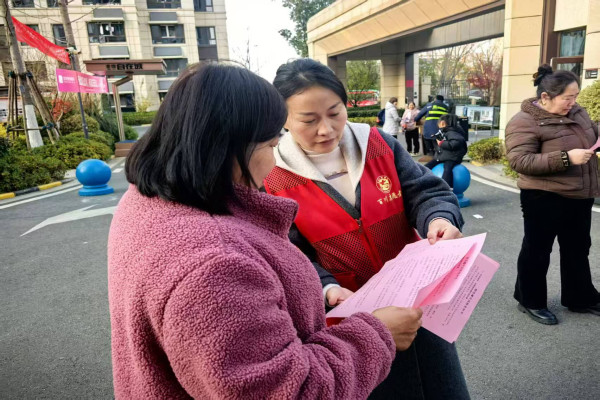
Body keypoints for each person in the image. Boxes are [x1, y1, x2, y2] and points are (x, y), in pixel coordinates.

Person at [108, 63, 423, 399]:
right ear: (227, 147)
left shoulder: (148, 200)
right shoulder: (215, 266)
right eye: (272, 145)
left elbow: (423, 189)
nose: (274, 161)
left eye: (334, 112)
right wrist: (376, 334)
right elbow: (290, 390)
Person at [265, 58, 470, 400]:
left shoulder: (376, 143)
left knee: (442, 385)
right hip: (354, 317)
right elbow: (285, 252)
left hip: (417, 297)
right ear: (282, 118)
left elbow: (426, 192)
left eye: (335, 113)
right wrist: (327, 287)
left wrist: (440, 219)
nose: (326, 130)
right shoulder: (273, 174)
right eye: (309, 120)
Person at [505, 64, 600, 325]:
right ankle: (530, 300)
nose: (573, 102)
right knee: (537, 250)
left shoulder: (577, 112)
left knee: (578, 249)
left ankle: (580, 297)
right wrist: (566, 158)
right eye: (567, 98)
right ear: (546, 97)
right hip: (543, 197)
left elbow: (591, 132)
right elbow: (520, 160)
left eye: (576, 96)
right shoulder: (524, 121)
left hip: (579, 195)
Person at [424, 114, 468, 188]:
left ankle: (447, 188)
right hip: (443, 156)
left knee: (447, 169)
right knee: (427, 167)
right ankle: (422, 183)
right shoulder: (444, 131)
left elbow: (454, 144)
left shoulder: (453, 133)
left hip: (452, 157)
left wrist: (441, 143)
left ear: (443, 123)